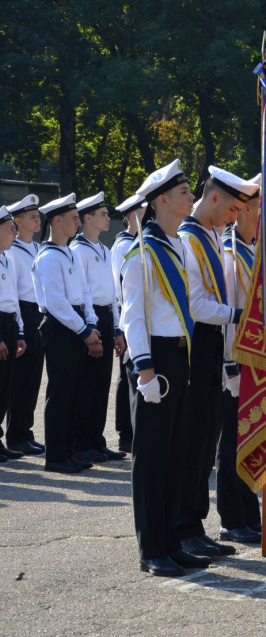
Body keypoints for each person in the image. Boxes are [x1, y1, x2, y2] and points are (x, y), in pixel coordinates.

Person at [122, 159, 206, 576]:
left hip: (178, 354)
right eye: (185, 191)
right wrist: (144, 371)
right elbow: (133, 316)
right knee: (152, 459)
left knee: (176, 454)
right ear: (162, 200)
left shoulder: (179, 245)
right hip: (154, 360)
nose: (192, 196)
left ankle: (171, 542)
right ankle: (151, 548)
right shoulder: (142, 251)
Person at [174, 165, 255, 558]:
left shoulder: (209, 236)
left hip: (213, 345)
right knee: (193, 444)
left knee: (206, 443)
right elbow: (197, 304)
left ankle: (196, 523)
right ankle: (183, 526)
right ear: (216, 197)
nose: (235, 219)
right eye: (234, 210)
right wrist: (237, 316)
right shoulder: (189, 240)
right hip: (196, 346)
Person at [218, 173, 266, 545]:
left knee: (252, 439)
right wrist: (229, 366)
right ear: (239, 211)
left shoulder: (253, 251)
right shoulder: (230, 254)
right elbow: (228, 314)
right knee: (232, 444)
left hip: (257, 360)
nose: (260, 216)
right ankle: (232, 518)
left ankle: (250, 515)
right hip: (237, 363)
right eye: (256, 209)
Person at [32, 193, 103, 473]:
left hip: (76, 327)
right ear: (57, 220)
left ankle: (69, 451)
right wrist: (84, 330)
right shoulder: (48, 258)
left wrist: (91, 323)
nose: (77, 222)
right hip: (60, 328)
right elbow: (56, 303)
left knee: (74, 392)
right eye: (73, 218)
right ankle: (56, 457)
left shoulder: (70, 253)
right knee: (61, 394)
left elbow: (84, 292)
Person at [70, 192, 127, 463]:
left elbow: (111, 294)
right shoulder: (77, 251)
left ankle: (96, 440)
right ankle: (82, 442)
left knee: (102, 384)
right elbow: (84, 294)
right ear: (87, 218)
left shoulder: (104, 249)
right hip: (89, 320)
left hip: (105, 316)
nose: (108, 218)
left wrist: (116, 329)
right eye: (103, 214)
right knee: (88, 384)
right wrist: (92, 329)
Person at [4, 194, 45, 455]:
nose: (37, 219)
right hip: (22, 313)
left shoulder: (38, 249)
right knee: (18, 378)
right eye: (31, 217)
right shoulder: (13, 252)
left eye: (37, 215)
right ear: (16, 221)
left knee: (33, 376)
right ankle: (16, 435)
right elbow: (13, 292)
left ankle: (25, 431)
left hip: (37, 314)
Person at [110, 196, 144, 454]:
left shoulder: (137, 242)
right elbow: (120, 289)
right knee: (128, 376)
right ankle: (126, 434)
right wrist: (120, 327)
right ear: (133, 214)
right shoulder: (123, 246)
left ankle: (130, 432)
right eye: (144, 209)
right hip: (127, 314)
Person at [0, 206, 27, 463]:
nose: (15, 233)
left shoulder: (7, 259)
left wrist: (19, 331)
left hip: (8, 323)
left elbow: (13, 300)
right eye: (10, 229)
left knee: (4, 386)